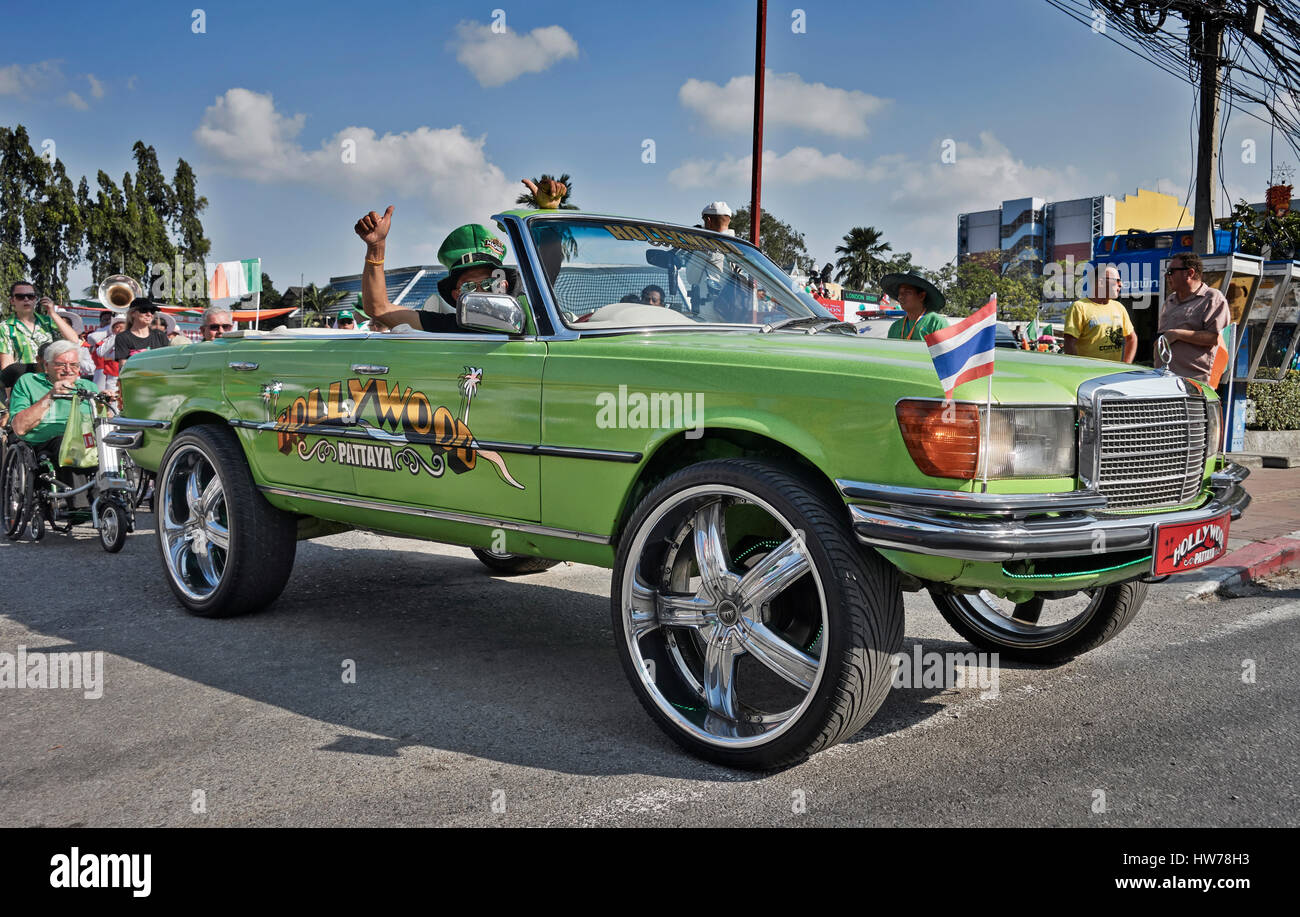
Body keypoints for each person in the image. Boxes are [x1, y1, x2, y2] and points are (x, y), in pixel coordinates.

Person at [354, 177, 565, 332]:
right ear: (457, 295)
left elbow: (549, 264)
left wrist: (548, 211)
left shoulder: (530, 314)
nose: (482, 291)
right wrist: (376, 246)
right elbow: (378, 308)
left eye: (490, 283)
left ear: (504, 285)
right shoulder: (447, 327)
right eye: (469, 287)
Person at [7, 339, 99, 455]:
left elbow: (102, 423)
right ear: (46, 365)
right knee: (66, 444)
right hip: (47, 443)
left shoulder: (89, 387)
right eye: (60, 364)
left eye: (74, 365)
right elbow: (20, 428)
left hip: (87, 442)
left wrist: (105, 403)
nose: (68, 369)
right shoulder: (29, 382)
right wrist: (51, 396)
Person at [1155, 252, 1230, 383]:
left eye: (1171, 271)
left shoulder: (1212, 298)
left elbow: (1216, 337)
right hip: (1165, 379)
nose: (1167, 275)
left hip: (1195, 382)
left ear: (1189, 273)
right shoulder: (1170, 300)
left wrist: (1178, 334)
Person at [0, 281, 80, 372]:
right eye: (20, 297)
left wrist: (52, 313)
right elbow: (7, 365)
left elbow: (73, 340)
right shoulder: (5, 328)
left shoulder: (48, 322)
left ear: (35, 299)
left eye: (30, 296)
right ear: (12, 301)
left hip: (50, 379)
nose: (26, 299)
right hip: (24, 380)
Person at [1064, 265, 1137, 362]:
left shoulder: (1119, 308)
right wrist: (1078, 368)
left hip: (1113, 374)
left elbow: (1132, 338)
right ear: (1101, 282)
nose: (1121, 285)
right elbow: (1069, 343)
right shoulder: (1079, 307)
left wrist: (1126, 366)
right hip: (1089, 374)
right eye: (1117, 281)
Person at [880, 272, 948, 340]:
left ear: (921, 296)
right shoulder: (895, 327)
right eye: (900, 293)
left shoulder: (936, 323)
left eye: (907, 292)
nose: (900, 297)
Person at [100, 299, 171, 364]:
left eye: (152, 311)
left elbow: (168, 359)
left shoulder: (159, 335)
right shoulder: (123, 337)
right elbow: (123, 365)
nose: (149, 314)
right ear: (132, 313)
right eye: (144, 310)